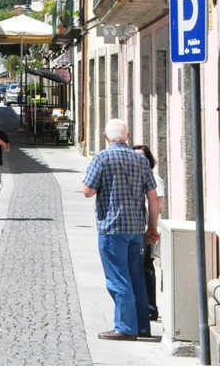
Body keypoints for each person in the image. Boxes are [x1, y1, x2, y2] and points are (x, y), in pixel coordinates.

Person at [83, 118, 159, 342]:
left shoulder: (102, 157)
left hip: (112, 227)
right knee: (136, 277)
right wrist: (152, 227)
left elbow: (87, 190)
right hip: (136, 228)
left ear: (106, 136)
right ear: (127, 136)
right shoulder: (141, 160)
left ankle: (125, 327)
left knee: (118, 279)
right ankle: (142, 326)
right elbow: (153, 198)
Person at [133, 144, 165, 321]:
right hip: (139, 228)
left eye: (142, 157)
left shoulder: (154, 178)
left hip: (149, 229)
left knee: (146, 267)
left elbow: (159, 206)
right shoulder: (137, 178)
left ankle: (151, 308)